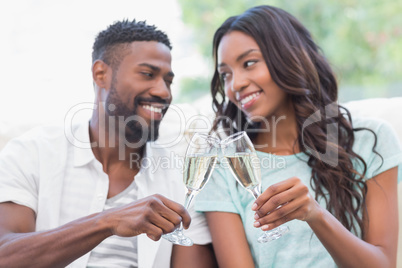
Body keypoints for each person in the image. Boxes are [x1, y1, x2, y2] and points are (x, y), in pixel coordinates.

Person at [194, 5, 401, 268]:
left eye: (249, 63)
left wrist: (315, 216)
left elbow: (383, 264)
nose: (236, 84)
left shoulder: (370, 140)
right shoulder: (224, 165)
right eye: (226, 74)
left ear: (289, 58)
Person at [0, 20, 217, 268]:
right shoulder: (31, 154)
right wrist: (107, 222)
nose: (164, 92)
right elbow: (5, 256)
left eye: (168, 80)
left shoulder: (182, 179)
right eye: (148, 74)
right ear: (101, 74)